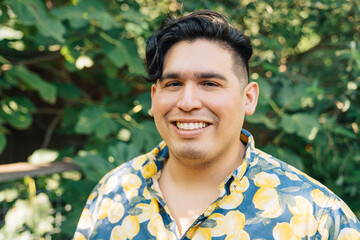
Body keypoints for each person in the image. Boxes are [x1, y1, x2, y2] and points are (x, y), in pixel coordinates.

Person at [74, 10, 360, 240]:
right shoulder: (112, 192)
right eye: (173, 83)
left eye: (209, 83)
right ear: (154, 97)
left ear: (248, 99)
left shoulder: (318, 216)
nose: (187, 102)